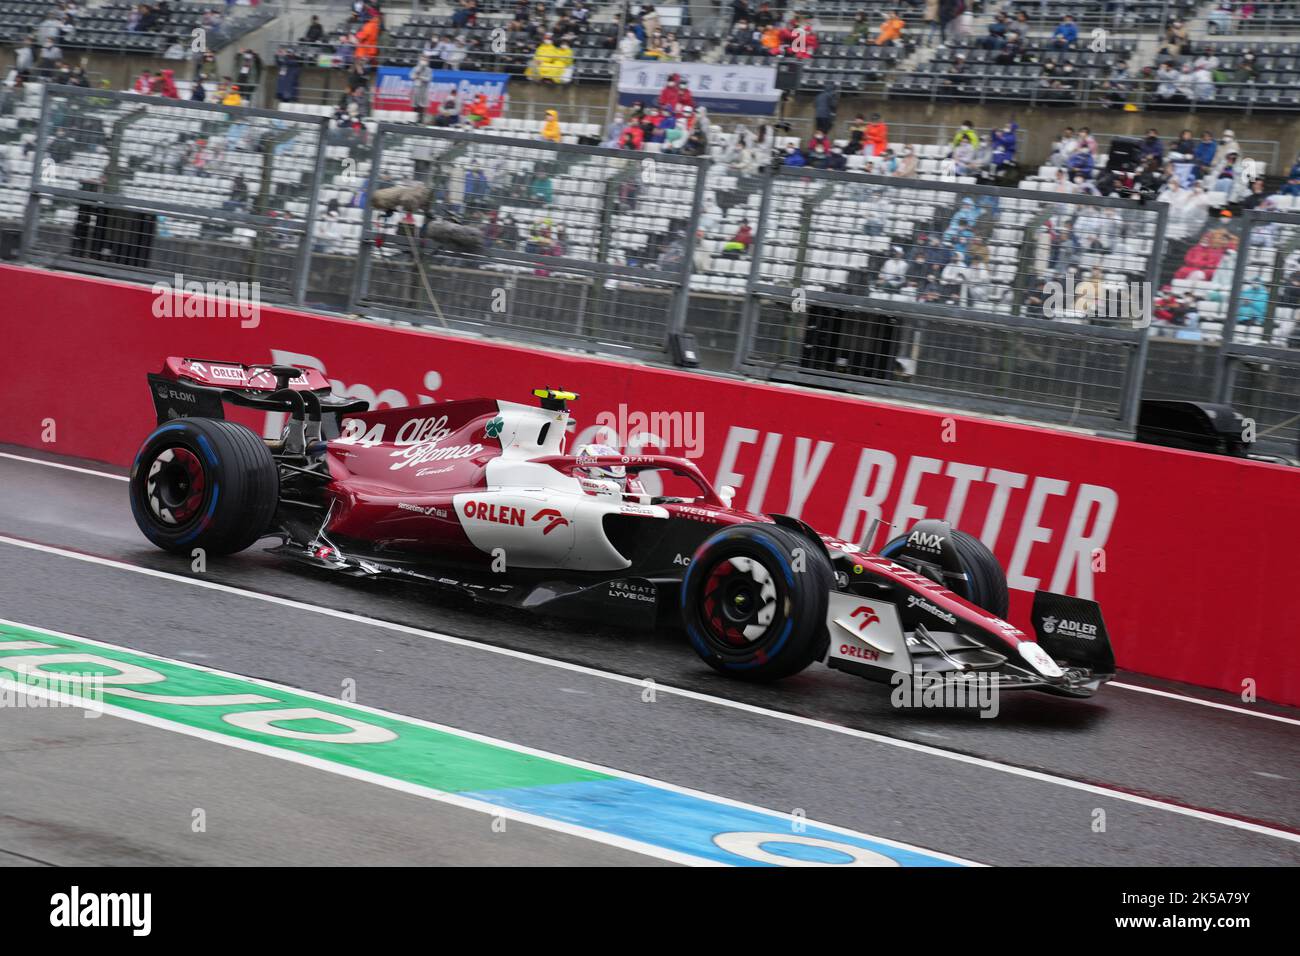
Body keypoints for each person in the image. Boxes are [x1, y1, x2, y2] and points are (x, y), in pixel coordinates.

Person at [409, 55, 432, 123]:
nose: (423, 61)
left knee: (422, 105)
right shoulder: (415, 68)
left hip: (423, 89)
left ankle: (421, 119)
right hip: (416, 88)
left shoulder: (429, 70)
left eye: (425, 60)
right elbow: (411, 76)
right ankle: (414, 119)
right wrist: (415, 76)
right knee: (415, 104)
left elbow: (429, 79)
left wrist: (421, 77)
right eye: (422, 59)